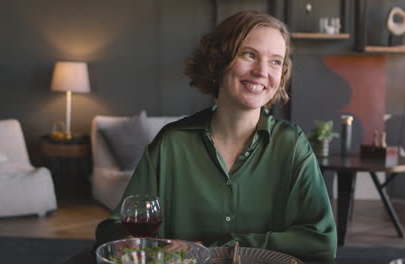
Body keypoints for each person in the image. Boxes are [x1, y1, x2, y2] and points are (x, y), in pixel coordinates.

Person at [93, 10, 337, 260]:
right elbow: (116, 228)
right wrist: (126, 242)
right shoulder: (172, 143)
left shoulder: (291, 144)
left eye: (275, 61)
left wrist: (222, 246)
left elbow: (321, 243)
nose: (262, 71)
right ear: (218, 61)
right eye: (249, 54)